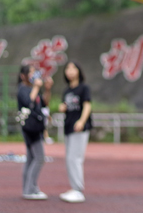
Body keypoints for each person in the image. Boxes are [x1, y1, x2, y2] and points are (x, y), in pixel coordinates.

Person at [17, 64, 53, 200]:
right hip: (30, 128)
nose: (34, 75)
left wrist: (47, 89)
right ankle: (30, 189)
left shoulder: (33, 89)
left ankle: (28, 188)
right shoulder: (22, 89)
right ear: (23, 76)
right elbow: (28, 103)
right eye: (31, 72)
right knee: (39, 158)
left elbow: (44, 103)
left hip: (36, 127)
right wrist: (37, 87)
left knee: (31, 158)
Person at [58, 61, 93, 203]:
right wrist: (62, 107)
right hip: (68, 127)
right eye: (67, 68)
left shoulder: (84, 88)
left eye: (73, 68)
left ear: (79, 71)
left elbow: (87, 105)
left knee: (75, 158)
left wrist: (82, 121)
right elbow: (66, 105)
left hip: (79, 128)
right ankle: (74, 187)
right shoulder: (67, 91)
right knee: (69, 159)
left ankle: (78, 190)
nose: (70, 71)